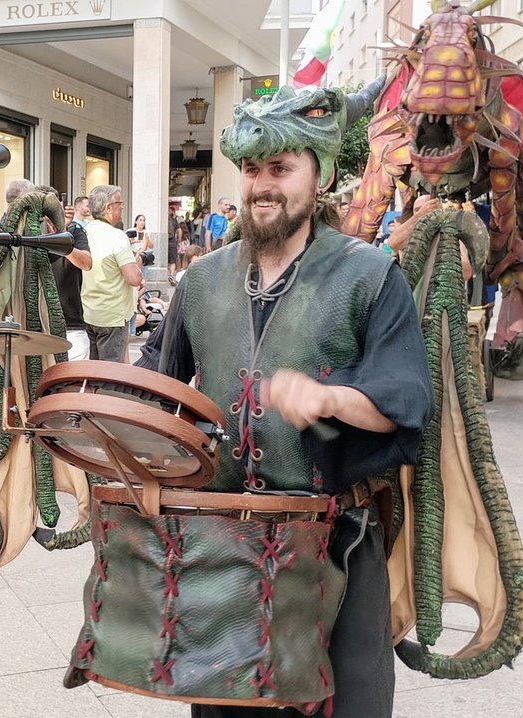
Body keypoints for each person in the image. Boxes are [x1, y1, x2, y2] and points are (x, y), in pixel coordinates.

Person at [136, 88, 431, 717]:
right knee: (223, 708)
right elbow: (161, 385)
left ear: (317, 174)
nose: (262, 186)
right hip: (220, 539)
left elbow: (404, 403)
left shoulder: (370, 273)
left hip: (335, 540)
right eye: (251, 170)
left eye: (281, 169)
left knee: (345, 704)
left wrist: (329, 397)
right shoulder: (203, 278)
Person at [81, 185, 143, 362]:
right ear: (108, 207)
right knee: (110, 377)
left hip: (90, 312)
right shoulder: (116, 236)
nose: (122, 206)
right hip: (113, 316)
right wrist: (137, 263)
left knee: (95, 373)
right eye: (119, 202)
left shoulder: (85, 231)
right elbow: (134, 278)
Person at [53, 196, 94, 360]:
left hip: (71, 323)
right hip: (36, 325)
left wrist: (62, 235)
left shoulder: (74, 232)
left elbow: (86, 263)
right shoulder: (29, 232)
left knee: (74, 380)